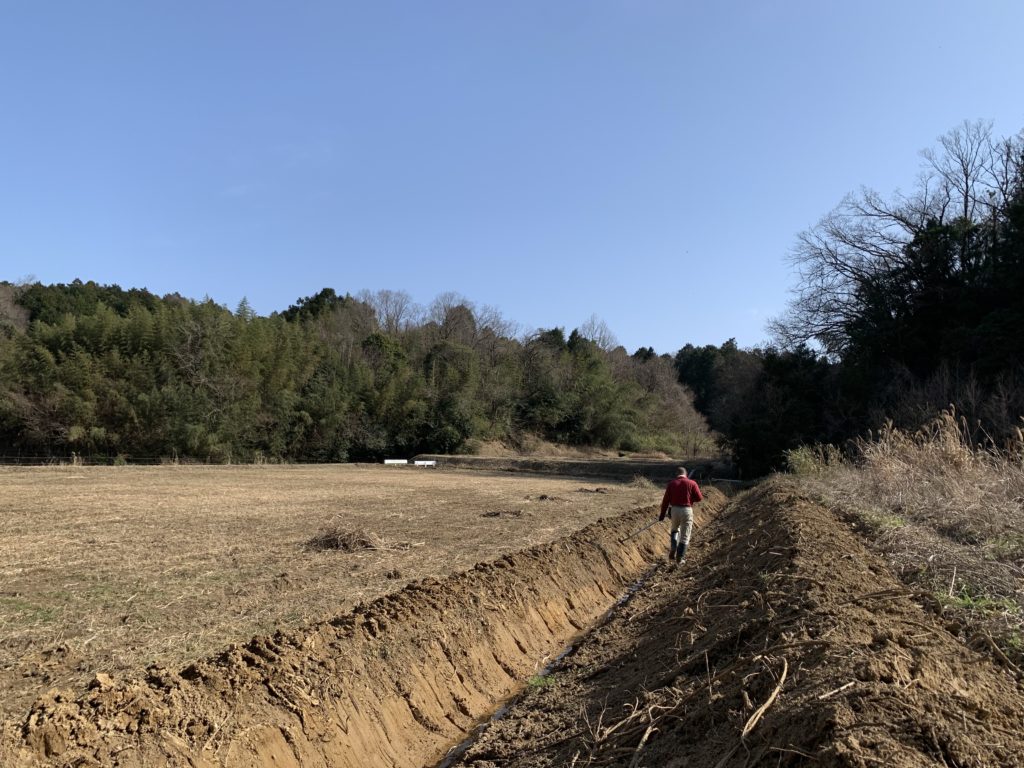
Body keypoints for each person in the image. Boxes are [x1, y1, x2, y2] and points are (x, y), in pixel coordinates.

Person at [659, 467, 703, 564]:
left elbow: (665, 501)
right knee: (685, 535)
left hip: (674, 510)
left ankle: (673, 546)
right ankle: (680, 558)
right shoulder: (692, 483)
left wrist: (662, 515)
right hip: (687, 510)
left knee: (675, 528)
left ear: (677, 474)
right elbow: (699, 498)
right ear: (686, 474)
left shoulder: (671, 483)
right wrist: (690, 498)